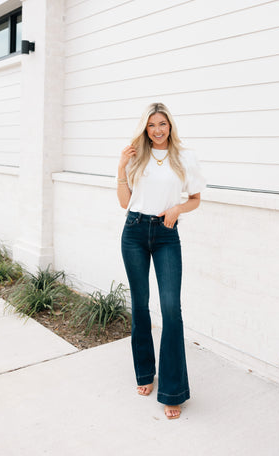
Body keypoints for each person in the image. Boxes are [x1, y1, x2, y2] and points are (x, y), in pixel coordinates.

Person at [117, 102, 206, 420]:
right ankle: (144, 374)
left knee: (171, 309)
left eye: (162, 124)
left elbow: (195, 199)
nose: (157, 130)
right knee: (140, 305)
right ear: (145, 127)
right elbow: (125, 202)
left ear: (170, 126)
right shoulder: (136, 156)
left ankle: (172, 391)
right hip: (135, 232)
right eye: (152, 125)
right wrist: (121, 166)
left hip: (167, 234)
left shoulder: (184, 157)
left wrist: (176, 209)